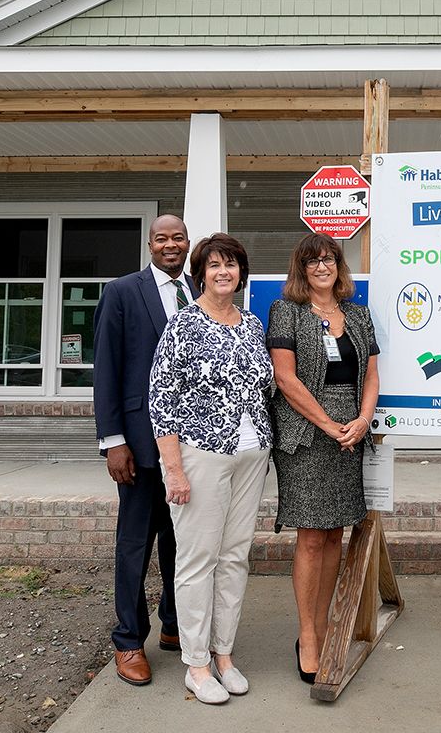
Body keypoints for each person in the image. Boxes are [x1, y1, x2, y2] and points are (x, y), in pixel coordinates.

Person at [148, 233, 274, 704]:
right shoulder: (183, 325)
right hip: (200, 454)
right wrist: (174, 470)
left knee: (235, 556)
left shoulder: (251, 325)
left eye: (232, 265)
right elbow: (161, 400)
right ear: (201, 272)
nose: (224, 272)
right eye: (215, 265)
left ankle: (224, 655)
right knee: (197, 559)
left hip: (251, 455)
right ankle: (196, 664)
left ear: (241, 273)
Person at [266, 233, 379, 685]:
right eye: (312, 261)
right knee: (311, 536)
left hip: (350, 434)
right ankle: (308, 634)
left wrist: (363, 420)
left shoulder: (357, 314)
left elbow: (371, 373)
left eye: (328, 258)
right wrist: (329, 425)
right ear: (301, 269)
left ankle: (330, 618)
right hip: (306, 436)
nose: (321, 267)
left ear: (339, 265)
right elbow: (285, 378)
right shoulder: (286, 312)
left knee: (335, 533)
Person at [93, 214, 193, 686]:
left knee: (183, 543)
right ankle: (130, 639)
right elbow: (107, 371)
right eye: (161, 238)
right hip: (139, 442)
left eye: (178, 237)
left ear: (188, 242)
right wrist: (113, 441)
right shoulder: (122, 292)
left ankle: (174, 625)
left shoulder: (202, 289)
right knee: (136, 544)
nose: (170, 245)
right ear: (149, 244)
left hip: (195, 445)